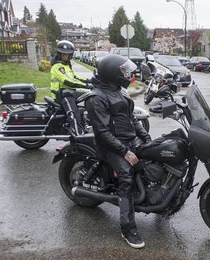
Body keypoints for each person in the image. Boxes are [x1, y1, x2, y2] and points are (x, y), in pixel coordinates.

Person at [85, 54, 152, 249]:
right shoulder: (96, 98)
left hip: (127, 140)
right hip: (109, 146)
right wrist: (125, 152)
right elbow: (102, 132)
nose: (129, 75)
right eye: (124, 72)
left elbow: (133, 119)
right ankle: (127, 228)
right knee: (126, 176)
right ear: (113, 74)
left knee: (154, 158)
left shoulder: (120, 91)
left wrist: (147, 140)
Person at [50, 40, 92, 135]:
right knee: (74, 114)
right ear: (59, 54)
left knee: (91, 96)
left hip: (70, 92)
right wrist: (87, 86)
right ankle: (78, 133)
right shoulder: (57, 67)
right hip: (62, 95)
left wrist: (90, 80)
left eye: (67, 55)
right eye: (63, 54)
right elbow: (69, 81)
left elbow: (75, 77)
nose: (65, 56)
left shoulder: (66, 66)